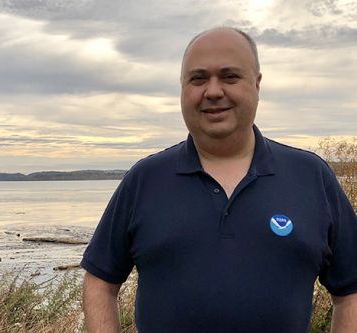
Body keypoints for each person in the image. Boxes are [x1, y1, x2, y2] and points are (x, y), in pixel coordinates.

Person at [81, 27, 357, 332]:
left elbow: (351, 290)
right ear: (182, 89)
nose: (213, 91)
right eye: (198, 79)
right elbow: (100, 281)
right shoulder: (144, 179)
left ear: (257, 84)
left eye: (229, 76)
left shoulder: (311, 176)